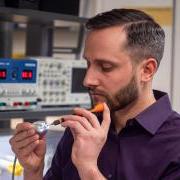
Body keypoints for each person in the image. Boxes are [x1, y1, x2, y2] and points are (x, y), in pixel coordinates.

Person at [9, 8, 180, 180]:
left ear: (147, 70)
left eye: (106, 67)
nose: (87, 80)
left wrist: (88, 168)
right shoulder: (81, 129)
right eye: (88, 64)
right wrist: (33, 171)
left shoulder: (175, 144)